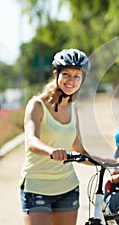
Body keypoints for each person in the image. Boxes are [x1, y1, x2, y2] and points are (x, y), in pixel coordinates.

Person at [19, 48, 113, 225]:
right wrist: (52, 151)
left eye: (77, 76)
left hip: (67, 189)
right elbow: (31, 141)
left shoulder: (73, 110)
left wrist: (109, 162)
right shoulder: (37, 105)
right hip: (36, 187)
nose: (71, 80)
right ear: (56, 74)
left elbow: (79, 151)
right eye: (66, 74)